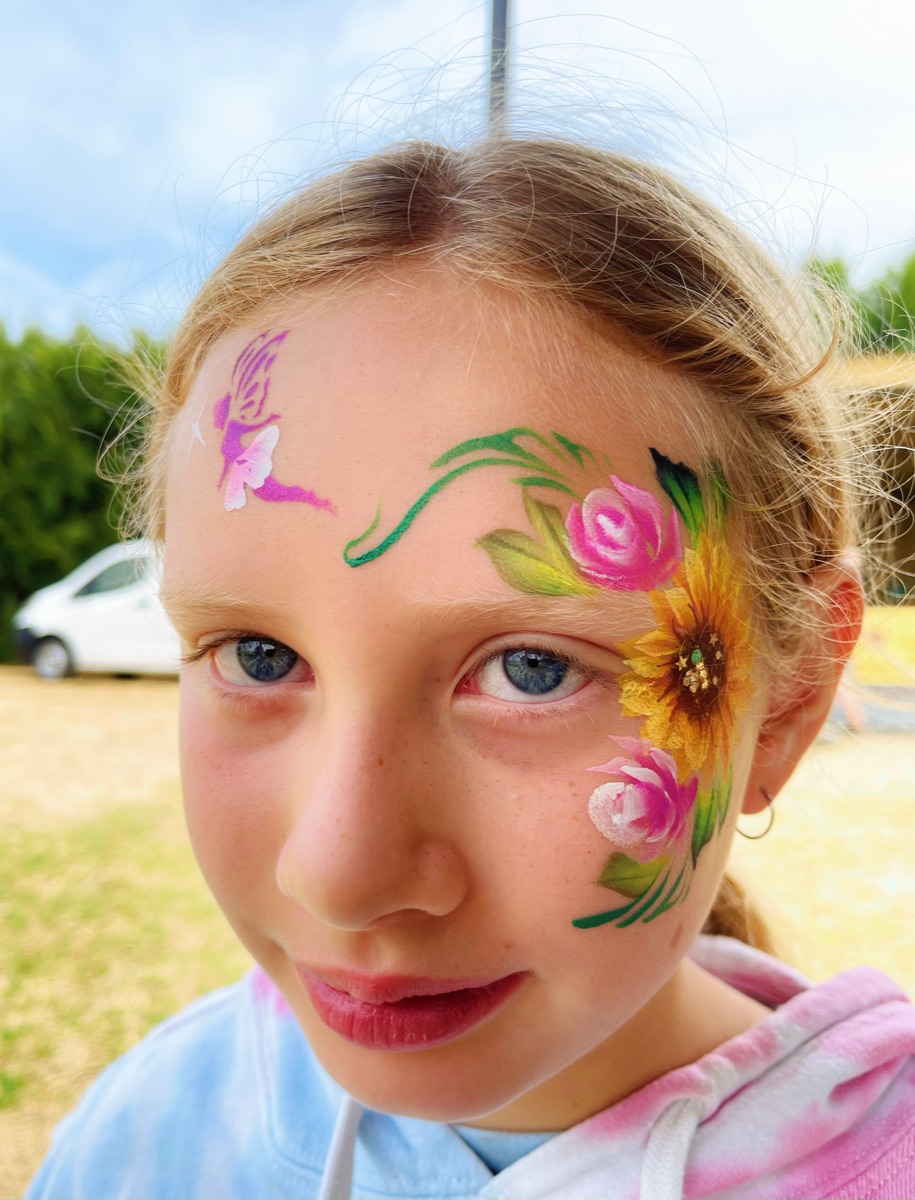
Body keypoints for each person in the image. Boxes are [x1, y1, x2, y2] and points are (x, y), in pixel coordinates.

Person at [27, 138, 915, 1200]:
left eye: (533, 669)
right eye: (259, 658)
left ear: (792, 698)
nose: (341, 876)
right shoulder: (139, 1146)